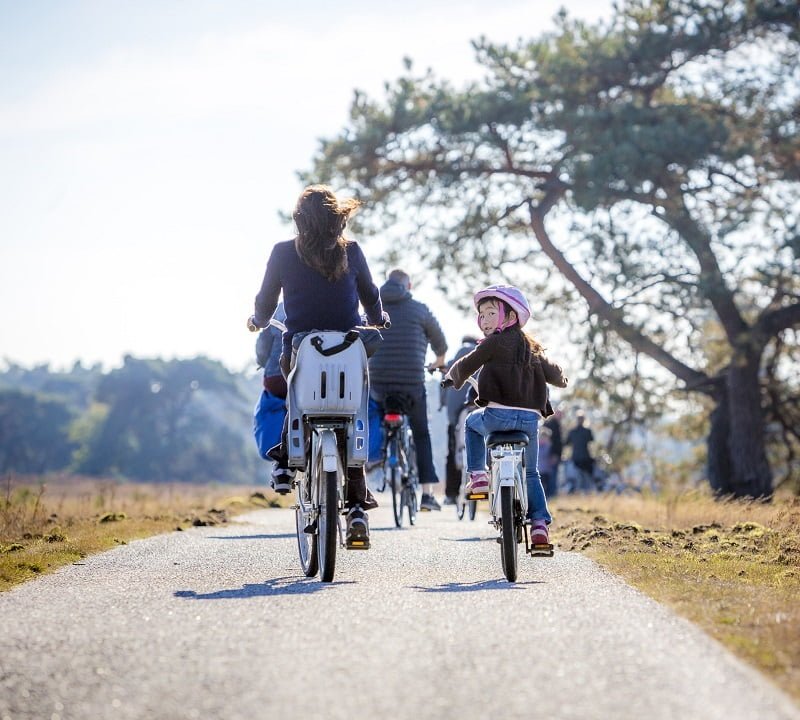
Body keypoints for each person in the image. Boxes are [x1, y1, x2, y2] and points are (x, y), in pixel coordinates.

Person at [247, 184, 387, 548]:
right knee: (351, 415)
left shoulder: (282, 252)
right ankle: (356, 508)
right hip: (348, 348)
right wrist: (379, 317)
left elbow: (265, 300)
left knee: (298, 402)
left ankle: (283, 460)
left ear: (299, 219)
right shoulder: (352, 252)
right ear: (336, 218)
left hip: (301, 348)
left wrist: (259, 319)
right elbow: (370, 295)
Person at [445, 285, 568, 546]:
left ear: (511, 317)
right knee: (532, 472)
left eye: (491, 313)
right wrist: (562, 379)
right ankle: (538, 526)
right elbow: (555, 374)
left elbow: (467, 363)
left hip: (496, 417)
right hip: (529, 422)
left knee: (470, 422)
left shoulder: (492, 344)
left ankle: (478, 475)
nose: (485, 320)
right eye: (482, 315)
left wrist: (450, 378)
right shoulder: (532, 348)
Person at [368, 268, 447, 512]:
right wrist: (438, 363)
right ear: (408, 286)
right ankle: (426, 494)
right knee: (421, 433)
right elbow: (441, 345)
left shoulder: (372, 309)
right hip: (412, 385)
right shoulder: (420, 310)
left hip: (378, 385)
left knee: (369, 419)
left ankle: (366, 470)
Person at [441, 335, 479, 504]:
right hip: (477, 406)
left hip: (455, 413)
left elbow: (443, 387)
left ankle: (451, 494)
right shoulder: (482, 356)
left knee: (452, 451)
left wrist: (443, 403)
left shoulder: (452, 362)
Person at [565, 410, 595, 492]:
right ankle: (583, 491)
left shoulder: (573, 431)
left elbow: (567, 443)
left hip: (579, 458)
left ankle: (582, 491)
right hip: (582, 457)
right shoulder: (587, 431)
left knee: (581, 476)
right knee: (582, 476)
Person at [543, 407, 563, 496]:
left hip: (552, 455)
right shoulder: (552, 424)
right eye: (559, 414)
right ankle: (551, 494)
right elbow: (554, 442)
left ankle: (551, 494)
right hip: (550, 456)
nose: (561, 416)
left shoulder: (556, 424)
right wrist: (554, 455)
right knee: (551, 476)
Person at [537, 426, 556, 497]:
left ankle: (547, 497)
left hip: (547, 469)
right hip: (540, 469)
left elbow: (551, 456)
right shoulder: (538, 445)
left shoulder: (549, 445)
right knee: (541, 485)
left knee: (547, 485)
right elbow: (541, 454)